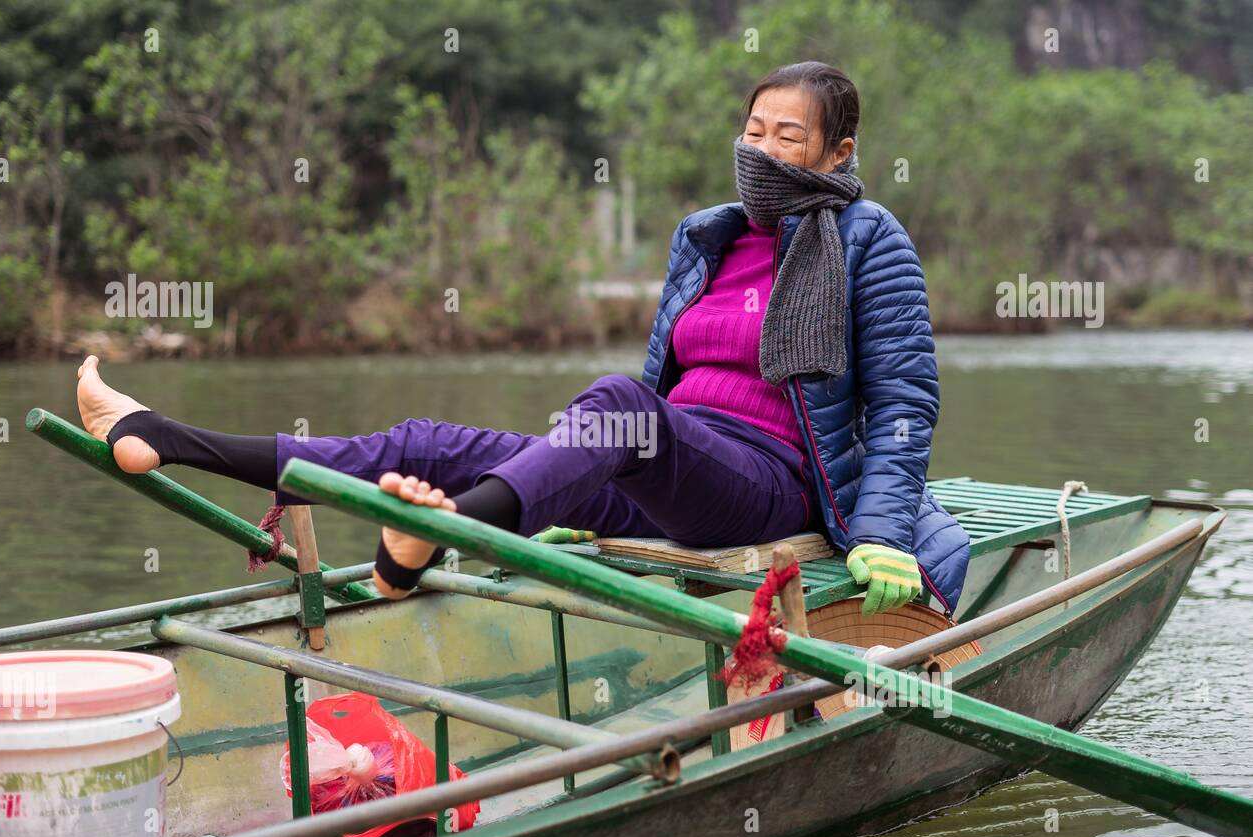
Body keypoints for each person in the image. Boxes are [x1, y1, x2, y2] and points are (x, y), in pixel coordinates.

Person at [75, 60, 968, 615]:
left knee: (619, 404)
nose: (761, 149)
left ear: (839, 155)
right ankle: (164, 438)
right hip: (670, 464)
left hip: (769, 484)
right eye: (753, 129)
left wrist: (884, 531)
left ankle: (445, 536)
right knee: (429, 440)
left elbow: (902, 403)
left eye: (788, 137)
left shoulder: (865, 238)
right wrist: (559, 490)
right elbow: (669, 385)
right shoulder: (711, 233)